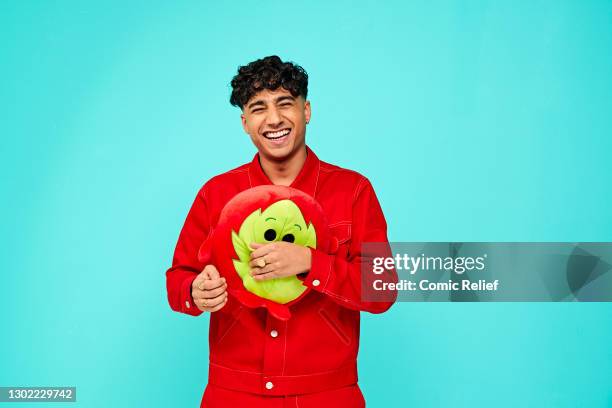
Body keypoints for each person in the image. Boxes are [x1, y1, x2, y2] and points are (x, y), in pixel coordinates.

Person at [165, 55, 397, 407]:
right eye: (258, 108)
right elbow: (178, 278)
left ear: (307, 111)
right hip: (233, 395)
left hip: (328, 395)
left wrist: (311, 263)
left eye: (285, 103)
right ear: (245, 122)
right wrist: (194, 291)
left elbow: (382, 289)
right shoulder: (215, 193)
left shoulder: (353, 190)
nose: (273, 119)